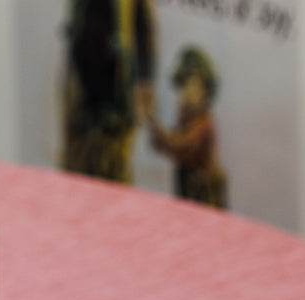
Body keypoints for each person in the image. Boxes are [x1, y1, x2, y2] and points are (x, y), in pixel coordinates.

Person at [61, 0, 157, 184]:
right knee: (81, 165)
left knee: (113, 166)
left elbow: (143, 31)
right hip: (84, 89)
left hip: (116, 91)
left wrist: (145, 79)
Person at [148, 45, 228, 210]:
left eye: (193, 85)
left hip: (203, 197)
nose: (187, 91)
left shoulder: (203, 123)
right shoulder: (187, 118)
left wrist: (155, 129)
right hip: (188, 193)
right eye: (184, 85)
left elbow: (182, 146)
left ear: (205, 89)